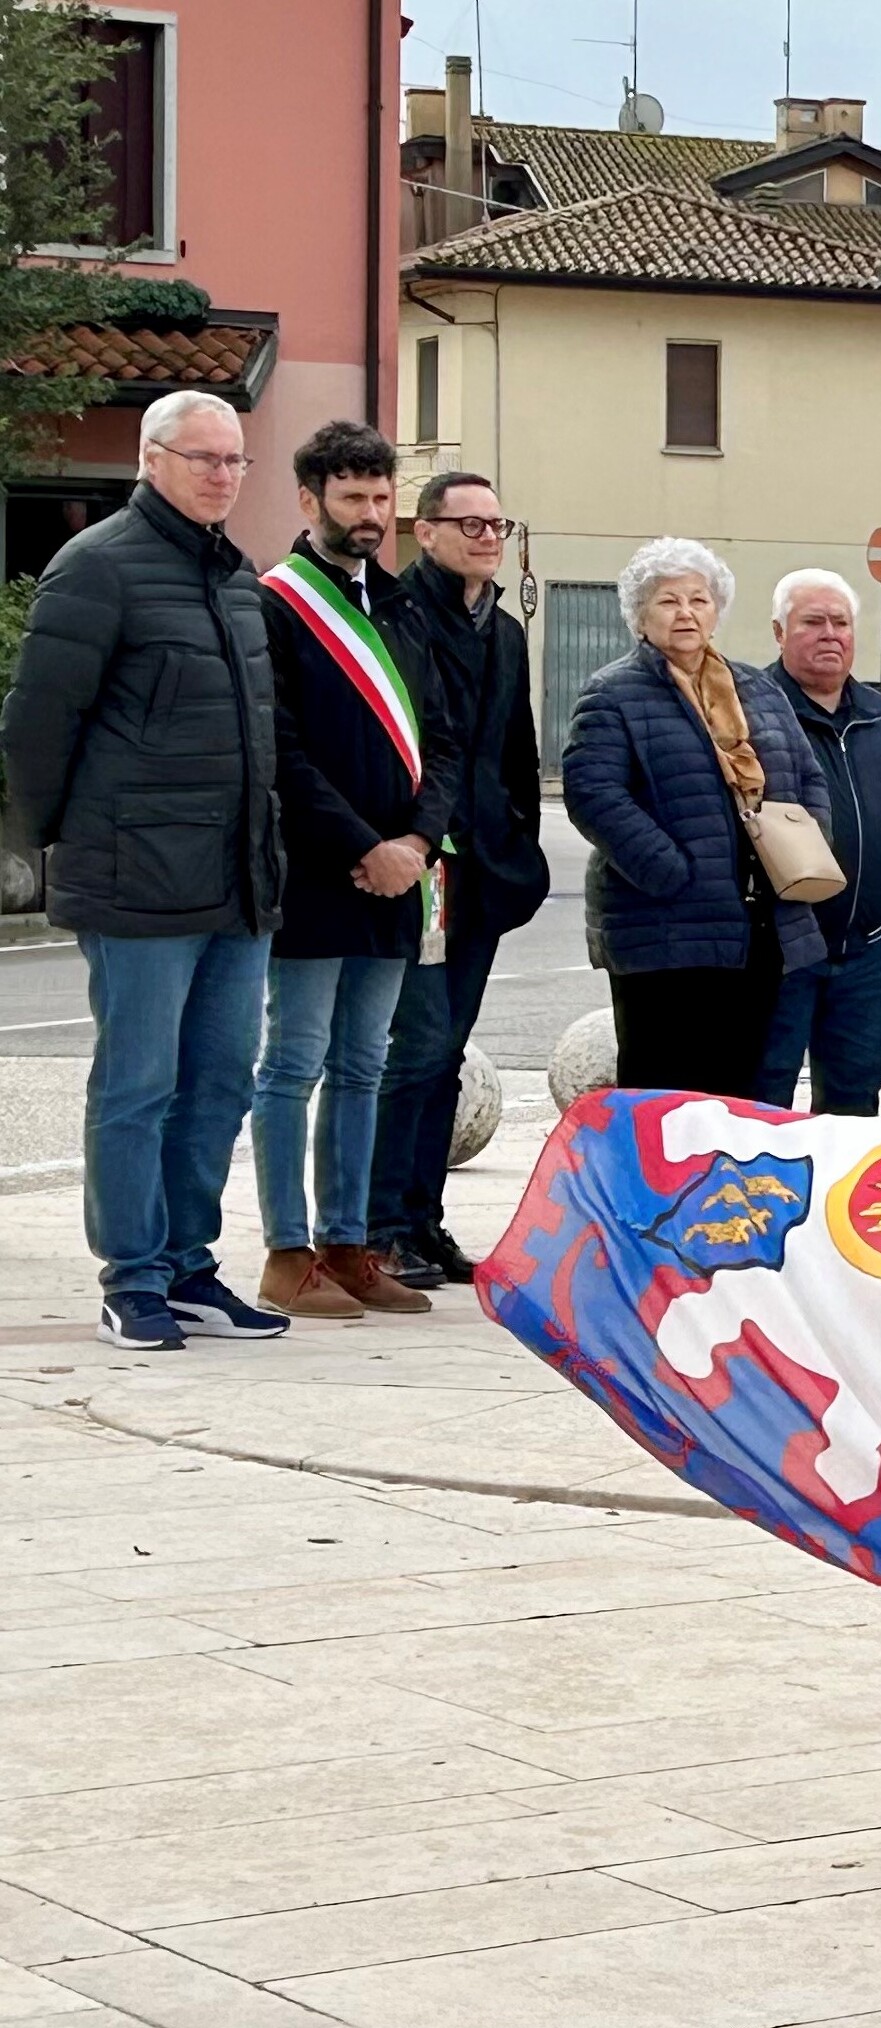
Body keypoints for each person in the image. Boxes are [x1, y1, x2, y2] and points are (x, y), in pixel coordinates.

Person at [0, 392, 289, 1350]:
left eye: (235, 460)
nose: (221, 475)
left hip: (234, 880)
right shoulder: (96, 568)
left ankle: (188, 1265)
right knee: (137, 1086)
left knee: (220, 1082)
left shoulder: (238, 576)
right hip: (134, 879)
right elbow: (37, 726)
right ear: (150, 459)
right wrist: (59, 844)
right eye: (201, 457)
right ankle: (132, 1277)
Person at [250, 421, 456, 1321]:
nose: (372, 516)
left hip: (398, 874)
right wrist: (361, 845)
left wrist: (413, 843)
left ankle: (348, 1244)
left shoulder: (405, 605)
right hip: (317, 872)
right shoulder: (277, 604)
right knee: (293, 1065)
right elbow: (281, 750)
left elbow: (444, 740)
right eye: (353, 499)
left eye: (381, 499)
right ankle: (285, 1251)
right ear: (309, 501)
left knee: (365, 1064)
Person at [366, 470, 550, 1291]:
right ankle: (382, 1226)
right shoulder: (396, 617)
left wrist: (519, 838)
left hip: (484, 871)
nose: (484, 536)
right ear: (427, 531)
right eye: (467, 523)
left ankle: (425, 1219)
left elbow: (517, 744)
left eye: (495, 523)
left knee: (444, 1057)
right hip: (419, 865)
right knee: (417, 1048)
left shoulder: (503, 629)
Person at [566, 538, 833, 1095]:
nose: (686, 612)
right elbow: (593, 794)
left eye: (699, 600)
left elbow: (808, 777)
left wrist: (806, 849)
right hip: (664, 929)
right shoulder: (612, 693)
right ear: (640, 615)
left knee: (740, 1095)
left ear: (717, 610)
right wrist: (673, 871)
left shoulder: (756, 688)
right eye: (668, 601)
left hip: (760, 929)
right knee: (665, 1095)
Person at [754, 571, 881, 1115]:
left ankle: (835, 1199)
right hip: (782, 944)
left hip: (868, 948)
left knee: (856, 1095)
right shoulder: (754, 712)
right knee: (765, 1090)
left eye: (841, 622)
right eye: (812, 622)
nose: (830, 634)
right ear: (778, 630)